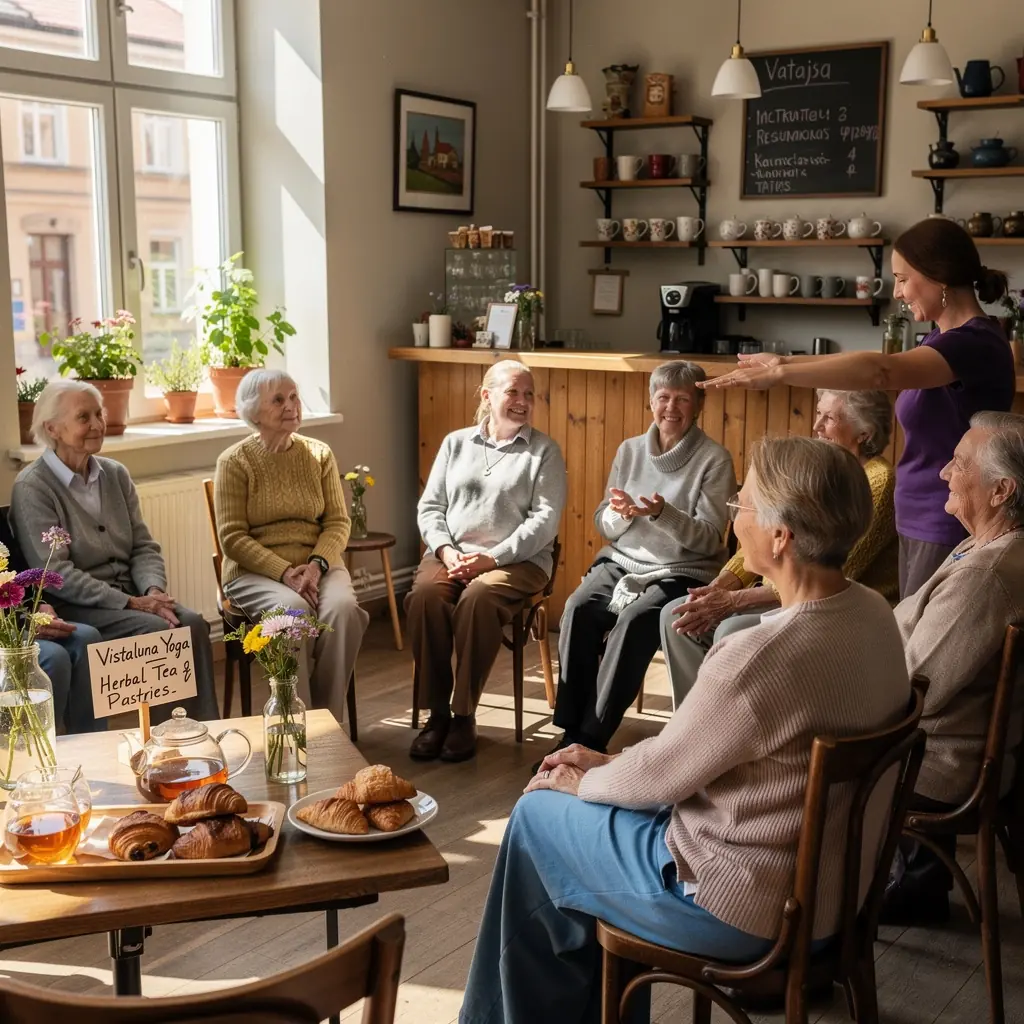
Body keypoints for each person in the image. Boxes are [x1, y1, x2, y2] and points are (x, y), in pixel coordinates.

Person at [459, 437, 911, 1024]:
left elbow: (660, 778)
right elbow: (676, 762)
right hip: (832, 899)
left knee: (537, 815)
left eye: (742, 504)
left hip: (741, 907)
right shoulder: (875, 615)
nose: (734, 514)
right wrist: (604, 767)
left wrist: (579, 780)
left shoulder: (759, 653)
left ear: (782, 536)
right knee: (576, 825)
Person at [701, 218, 1014, 598]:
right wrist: (781, 363)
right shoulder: (943, 338)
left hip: (947, 517)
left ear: (938, 275)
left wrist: (782, 372)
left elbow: (881, 371)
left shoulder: (974, 342)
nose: (897, 292)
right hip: (920, 513)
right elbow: (876, 366)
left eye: (902, 278)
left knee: (916, 644)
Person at [661, 388, 898, 708]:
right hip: (784, 591)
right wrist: (718, 589)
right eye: (818, 414)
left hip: (833, 607)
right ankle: (692, 716)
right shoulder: (817, 466)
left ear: (864, 432)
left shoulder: (878, 480)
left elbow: (829, 570)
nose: (817, 426)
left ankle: (721, 718)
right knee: (675, 616)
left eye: (829, 418)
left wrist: (732, 601)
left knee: (732, 629)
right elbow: (762, 535)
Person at [550, 361, 735, 756]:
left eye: (682, 399)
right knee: (579, 607)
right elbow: (604, 521)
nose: (671, 407)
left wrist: (659, 513)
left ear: (699, 404)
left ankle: (589, 740)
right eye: (663, 397)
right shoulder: (630, 450)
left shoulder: (714, 459)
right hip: (622, 559)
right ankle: (570, 731)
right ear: (651, 401)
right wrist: (619, 513)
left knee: (635, 621)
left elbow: (708, 540)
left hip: (683, 569)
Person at [883, 412, 1024, 924]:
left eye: (959, 463)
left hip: (938, 762)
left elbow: (919, 687)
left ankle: (809, 910)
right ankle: (910, 881)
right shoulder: (985, 547)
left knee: (797, 743)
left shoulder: (987, 576)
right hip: (950, 745)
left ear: (1001, 490)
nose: (943, 472)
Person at [10, 380, 219, 724]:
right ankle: (162, 744)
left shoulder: (115, 475)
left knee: (192, 623)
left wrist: (153, 590)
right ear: (53, 429)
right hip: (77, 604)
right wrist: (133, 603)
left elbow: (143, 545)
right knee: (159, 632)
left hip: (132, 596)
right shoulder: (34, 487)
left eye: (99, 414)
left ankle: (198, 733)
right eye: (83, 417)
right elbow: (56, 574)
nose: (96, 424)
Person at [407, 360, 566, 763]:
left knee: (478, 598)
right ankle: (436, 714)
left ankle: (463, 715)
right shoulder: (455, 443)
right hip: (453, 553)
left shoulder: (543, 451)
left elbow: (544, 522)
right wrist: (445, 550)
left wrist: (492, 557)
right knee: (426, 594)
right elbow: (431, 508)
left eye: (529, 394)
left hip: (519, 561)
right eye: (513, 392)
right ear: (487, 395)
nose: (523, 402)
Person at [215, 369, 368, 727]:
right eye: (279, 400)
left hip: (318, 564)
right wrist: (284, 572)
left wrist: (315, 567)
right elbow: (233, 538)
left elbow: (337, 522)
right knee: (292, 614)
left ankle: (327, 725)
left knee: (343, 609)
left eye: (294, 397)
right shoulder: (235, 462)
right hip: (255, 572)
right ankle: (293, 721)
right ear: (254, 412)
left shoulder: (319, 454)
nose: (291, 406)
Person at [0, 515, 103, 734]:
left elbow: (16, 568)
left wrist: (40, 606)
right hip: (7, 630)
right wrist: (20, 624)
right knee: (52, 657)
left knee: (86, 638)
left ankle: (91, 742)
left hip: (15, 617)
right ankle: (46, 750)